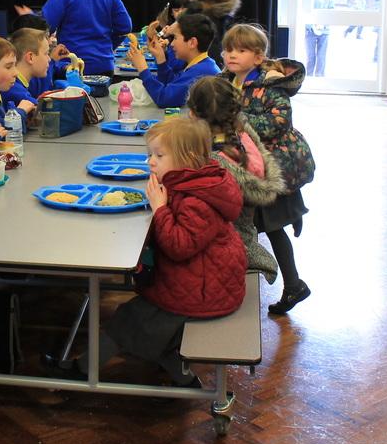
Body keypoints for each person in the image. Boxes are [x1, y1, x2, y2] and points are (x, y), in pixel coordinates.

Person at [51, 117, 245, 386]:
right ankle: (186, 382)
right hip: (202, 282)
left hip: (204, 294)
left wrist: (160, 208)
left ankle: (81, 371)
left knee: (128, 322)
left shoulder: (198, 200)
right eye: (151, 154)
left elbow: (179, 246)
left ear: (187, 158)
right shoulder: (194, 182)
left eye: (159, 156)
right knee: (146, 328)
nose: (150, 162)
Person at [220, 24, 316, 314]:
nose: (232, 55)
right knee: (253, 226)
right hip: (248, 166)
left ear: (258, 57)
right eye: (228, 49)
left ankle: (293, 285)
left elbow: (278, 122)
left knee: (272, 227)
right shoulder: (227, 81)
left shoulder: (271, 86)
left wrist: (238, 121)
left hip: (272, 167)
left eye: (241, 50)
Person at [184, 76, 286, 280]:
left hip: (224, 248)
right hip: (243, 236)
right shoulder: (243, 140)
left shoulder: (213, 163)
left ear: (192, 114)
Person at [126, 13, 221, 108]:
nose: (171, 44)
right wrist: (161, 59)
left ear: (192, 42)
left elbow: (164, 99)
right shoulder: (202, 65)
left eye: (175, 38)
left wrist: (142, 68)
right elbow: (172, 84)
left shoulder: (201, 72)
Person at [5, 27, 51, 109]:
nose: (49, 59)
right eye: (46, 53)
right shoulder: (14, 90)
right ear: (30, 57)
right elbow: (42, 110)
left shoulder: (22, 84)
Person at [304, 0, 334, 77]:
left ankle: (320, 77)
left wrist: (324, 24)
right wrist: (312, 25)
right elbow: (306, 11)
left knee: (321, 57)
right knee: (310, 57)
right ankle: (309, 77)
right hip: (310, 30)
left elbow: (331, 11)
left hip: (324, 31)